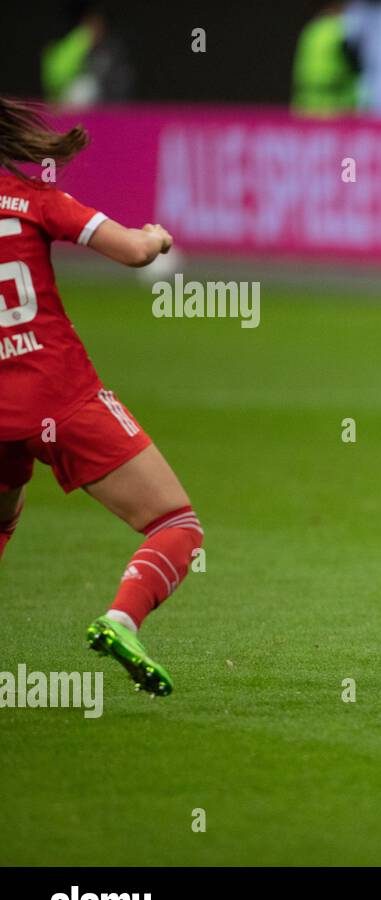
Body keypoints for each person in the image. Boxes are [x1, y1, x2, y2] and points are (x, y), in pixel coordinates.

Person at [0, 99, 200, 697]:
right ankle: (121, 620)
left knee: (3, 519)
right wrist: (155, 237)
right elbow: (133, 252)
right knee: (176, 523)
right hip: (60, 396)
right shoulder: (34, 199)